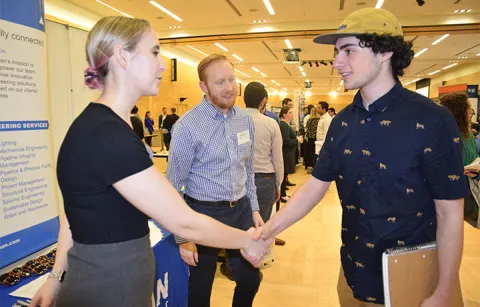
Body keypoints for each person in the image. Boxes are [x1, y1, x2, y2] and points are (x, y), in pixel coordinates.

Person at [29, 17, 269, 307]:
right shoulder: (108, 137)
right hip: (111, 288)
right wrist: (247, 241)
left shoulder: (99, 126)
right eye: (155, 52)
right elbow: (184, 222)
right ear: (122, 56)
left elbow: (74, 213)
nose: (163, 64)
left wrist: (56, 277)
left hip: (106, 283)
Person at [259, 8, 467, 307]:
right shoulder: (343, 123)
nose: (336, 62)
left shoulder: (433, 121)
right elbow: (314, 187)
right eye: (336, 52)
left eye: (349, 50)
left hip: (412, 276)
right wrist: (268, 230)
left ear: (384, 52)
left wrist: (445, 290)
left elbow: (450, 213)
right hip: (353, 271)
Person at [166, 54, 265, 307]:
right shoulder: (187, 127)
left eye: (231, 79)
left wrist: (253, 207)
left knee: (250, 278)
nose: (229, 87)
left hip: (241, 210)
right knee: (200, 291)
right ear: (203, 86)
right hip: (204, 214)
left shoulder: (244, 119)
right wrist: (183, 237)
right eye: (220, 82)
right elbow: (174, 185)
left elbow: (249, 167)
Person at [440, 92, 479, 224]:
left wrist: (476, 171)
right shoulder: (442, 137)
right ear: (459, 113)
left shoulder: (468, 135)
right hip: (453, 196)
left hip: (471, 188)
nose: (471, 114)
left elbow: (475, 157)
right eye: (469, 110)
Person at [279, 106, 298, 203]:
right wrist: (297, 140)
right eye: (290, 112)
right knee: (283, 175)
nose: (292, 114)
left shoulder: (285, 125)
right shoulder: (284, 125)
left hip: (287, 153)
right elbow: (285, 141)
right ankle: (282, 195)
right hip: (285, 154)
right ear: (284, 114)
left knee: (284, 175)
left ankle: (283, 194)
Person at [304, 107, 320, 172]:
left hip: (309, 138)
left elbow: (307, 129)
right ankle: (315, 166)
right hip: (316, 138)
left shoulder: (309, 120)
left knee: (310, 152)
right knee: (316, 153)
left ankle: (309, 166)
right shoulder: (318, 120)